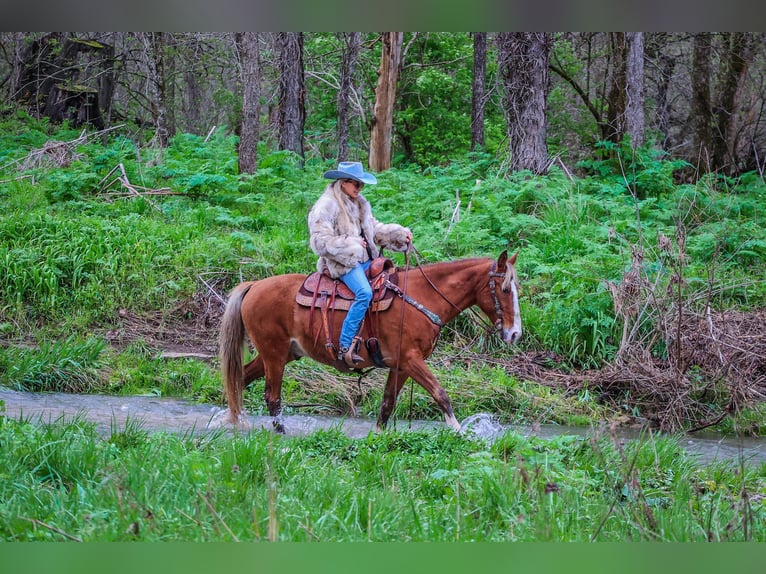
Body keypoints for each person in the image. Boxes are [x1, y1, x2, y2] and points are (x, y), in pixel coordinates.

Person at [308, 161, 412, 367]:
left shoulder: (359, 202)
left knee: (391, 285)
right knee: (364, 293)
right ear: (343, 182)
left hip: (365, 260)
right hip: (341, 263)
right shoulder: (326, 204)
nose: (358, 188)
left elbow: (373, 228)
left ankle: (381, 341)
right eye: (355, 183)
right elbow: (320, 241)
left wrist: (397, 234)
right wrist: (352, 245)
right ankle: (345, 345)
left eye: (360, 184)